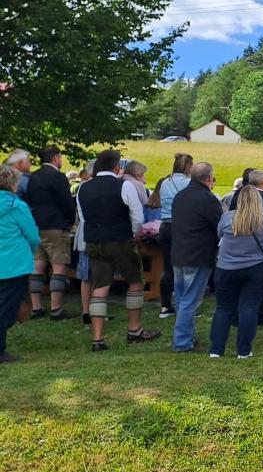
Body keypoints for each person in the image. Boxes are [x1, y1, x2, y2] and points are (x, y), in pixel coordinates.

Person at [77, 150, 161, 352]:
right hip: (120, 240)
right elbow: (137, 216)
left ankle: (97, 338)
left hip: (94, 241)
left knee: (100, 285)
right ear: (117, 167)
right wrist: (134, 234)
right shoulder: (124, 185)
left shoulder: (83, 188)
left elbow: (83, 217)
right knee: (135, 282)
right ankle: (134, 329)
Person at [209, 185, 263, 359]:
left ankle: (216, 350)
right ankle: (243, 350)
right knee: (248, 308)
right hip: (255, 268)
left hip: (226, 268)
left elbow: (219, 235)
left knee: (223, 309)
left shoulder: (227, 218)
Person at [170, 163, 222, 353]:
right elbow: (219, 226)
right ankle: (182, 341)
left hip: (179, 253)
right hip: (198, 254)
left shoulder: (180, 196)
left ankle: (184, 336)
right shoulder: (207, 199)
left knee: (182, 297)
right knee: (190, 300)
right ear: (209, 178)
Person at [23, 145, 76, 320]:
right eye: (60, 157)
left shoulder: (33, 177)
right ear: (55, 158)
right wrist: (69, 221)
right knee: (58, 265)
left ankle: (36, 307)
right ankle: (56, 308)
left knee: (37, 265)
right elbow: (67, 203)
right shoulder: (57, 177)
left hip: (36, 224)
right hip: (55, 224)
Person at [230, 169, 263, 326]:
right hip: (262, 247)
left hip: (238, 245)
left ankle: (239, 311)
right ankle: (260, 313)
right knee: (261, 282)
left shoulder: (237, 197)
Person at [0, 164, 40, 363]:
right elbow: (33, 236)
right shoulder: (17, 206)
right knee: (6, 308)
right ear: (12, 183)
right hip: (13, 264)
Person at [158, 153, 193, 319]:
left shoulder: (166, 182)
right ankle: (186, 306)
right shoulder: (189, 183)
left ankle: (165, 305)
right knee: (186, 268)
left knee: (167, 268)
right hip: (182, 226)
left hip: (165, 225)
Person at [73, 160, 96, 324]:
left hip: (85, 231)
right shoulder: (89, 187)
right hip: (93, 231)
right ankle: (92, 310)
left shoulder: (83, 187)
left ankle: (87, 310)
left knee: (86, 276)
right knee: (95, 274)